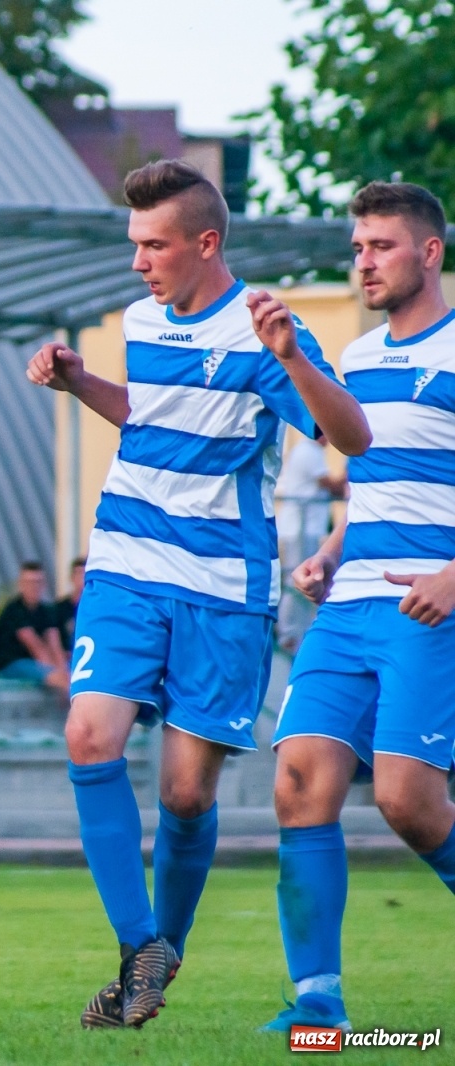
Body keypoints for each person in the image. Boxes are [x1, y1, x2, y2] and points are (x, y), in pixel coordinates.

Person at [25, 159, 370, 1030]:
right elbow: (150, 414)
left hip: (223, 587)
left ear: (205, 244)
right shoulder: (143, 319)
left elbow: (352, 435)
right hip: (126, 565)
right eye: (135, 244)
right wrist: (78, 381)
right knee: (88, 734)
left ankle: (154, 963)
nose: (138, 262)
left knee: (185, 795)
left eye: (154, 245)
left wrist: (293, 358)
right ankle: (141, 943)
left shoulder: (263, 330)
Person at [264, 182, 455, 1033]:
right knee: (300, 783)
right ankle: (318, 1006)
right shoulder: (364, 357)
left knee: (408, 802)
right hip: (347, 607)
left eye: (380, 245)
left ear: (430, 253)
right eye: (357, 248)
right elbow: (373, 482)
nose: (364, 262)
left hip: (429, 606)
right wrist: (330, 551)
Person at [274, 431, 345, 651]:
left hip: (305, 527)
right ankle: (288, 634)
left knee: (305, 580)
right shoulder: (309, 452)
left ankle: (295, 632)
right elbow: (332, 486)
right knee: (298, 580)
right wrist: (351, 468)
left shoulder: (306, 451)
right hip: (301, 528)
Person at [0, 562, 69, 697]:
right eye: (29, 582)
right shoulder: (14, 610)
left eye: (38, 582)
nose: (34, 587)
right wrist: (58, 676)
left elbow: (55, 644)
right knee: (53, 675)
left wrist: (63, 670)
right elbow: (35, 647)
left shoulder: (46, 611)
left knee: (69, 672)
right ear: (21, 584)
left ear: (43, 584)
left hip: (34, 663)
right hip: (11, 663)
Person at [54, 557, 85, 652]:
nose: (81, 578)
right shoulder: (60, 608)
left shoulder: (95, 609)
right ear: (71, 577)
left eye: (84, 574)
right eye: (78, 573)